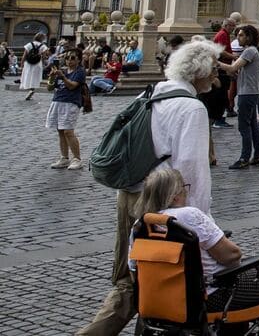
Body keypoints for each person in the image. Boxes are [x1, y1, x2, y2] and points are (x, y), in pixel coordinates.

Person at [78, 39, 219, 336]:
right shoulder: (192, 108)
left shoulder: (151, 92)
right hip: (161, 202)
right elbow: (190, 170)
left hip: (128, 192)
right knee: (148, 279)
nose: (217, 76)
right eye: (214, 69)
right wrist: (200, 222)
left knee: (131, 274)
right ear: (198, 72)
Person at [132, 167, 259, 335]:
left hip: (163, 301)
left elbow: (134, 270)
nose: (186, 193)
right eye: (184, 188)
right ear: (175, 195)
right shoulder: (188, 215)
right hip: (212, 297)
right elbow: (232, 256)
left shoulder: (141, 226)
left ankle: (256, 327)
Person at [217, 25, 259, 170]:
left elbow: (233, 68)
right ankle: (258, 155)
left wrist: (216, 63)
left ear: (249, 37)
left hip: (247, 93)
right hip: (251, 91)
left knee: (244, 126)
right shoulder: (251, 51)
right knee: (252, 125)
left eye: (241, 35)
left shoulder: (250, 51)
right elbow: (240, 71)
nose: (237, 38)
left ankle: (244, 157)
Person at [45, 47, 88, 170]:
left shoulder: (79, 72)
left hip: (71, 103)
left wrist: (63, 77)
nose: (69, 60)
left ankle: (77, 158)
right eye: (67, 58)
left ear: (79, 60)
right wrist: (52, 77)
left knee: (68, 131)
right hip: (58, 101)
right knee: (60, 130)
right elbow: (50, 88)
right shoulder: (62, 70)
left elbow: (72, 86)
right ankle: (64, 157)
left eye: (73, 58)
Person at [20, 31, 48, 100]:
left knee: (28, 76)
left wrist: (22, 63)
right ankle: (32, 90)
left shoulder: (29, 44)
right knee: (35, 77)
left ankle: (29, 89)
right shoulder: (43, 46)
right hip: (37, 64)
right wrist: (44, 64)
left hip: (28, 63)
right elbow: (44, 57)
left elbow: (24, 55)